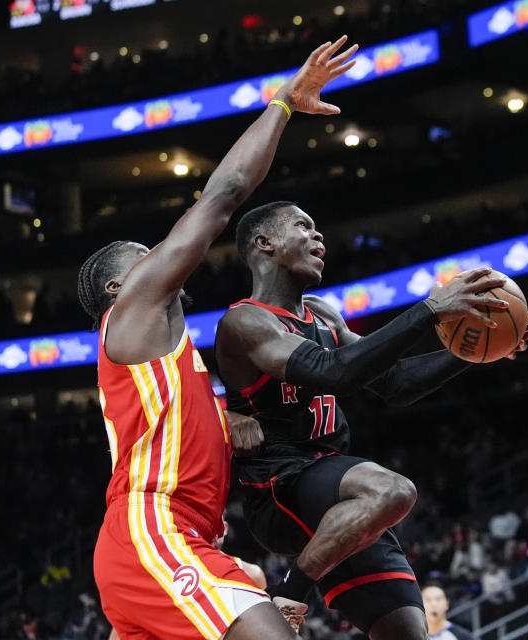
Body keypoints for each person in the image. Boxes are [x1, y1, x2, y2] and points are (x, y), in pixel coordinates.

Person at [80, 38, 358, 640]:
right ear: (117, 291)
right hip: (155, 530)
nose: (162, 259)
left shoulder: (165, 363)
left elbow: (174, 428)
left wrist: (225, 416)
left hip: (183, 537)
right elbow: (224, 194)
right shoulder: (131, 315)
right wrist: (282, 103)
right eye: (146, 257)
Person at [214, 202, 528, 638]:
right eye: (303, 226)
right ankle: (290, 595)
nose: (318, 236)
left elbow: (398, 384)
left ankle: (299, 586)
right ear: (264, 243)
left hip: (336, 499)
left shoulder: (325, 315)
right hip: (280, 487)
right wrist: (429, 310)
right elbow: (334, 372)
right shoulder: (245, 320)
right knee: (393, 491)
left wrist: (475, 351)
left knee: (405, 632)